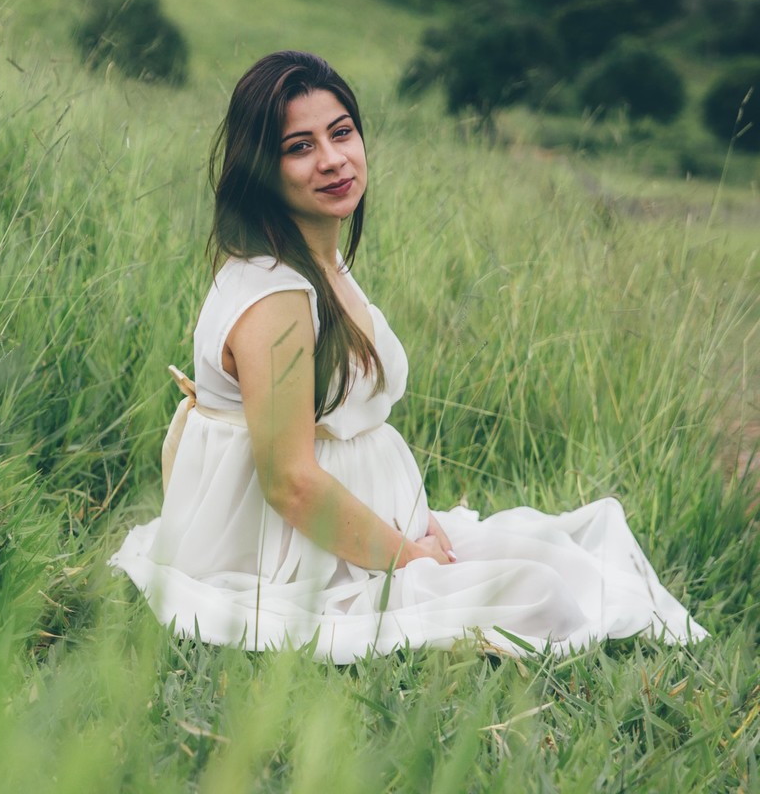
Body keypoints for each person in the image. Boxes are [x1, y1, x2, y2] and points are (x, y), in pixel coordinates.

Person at [109, 50, 707, 660]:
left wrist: (416, 523)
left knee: (562, 552)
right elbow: (290, 482)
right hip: (293, 556)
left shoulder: (313, 257)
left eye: (341, 133)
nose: (333, 159)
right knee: (541, 592)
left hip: (366, 529)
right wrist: (409, 556)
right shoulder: (276, 295)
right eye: (299, 147)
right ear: (263, 167)